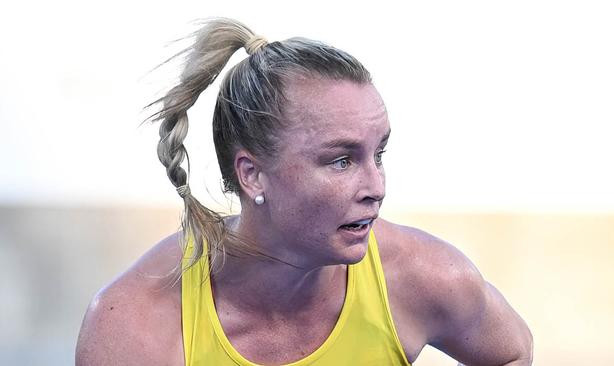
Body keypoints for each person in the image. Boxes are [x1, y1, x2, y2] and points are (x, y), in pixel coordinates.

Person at [75, 18, 533, 365]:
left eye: (379, 154)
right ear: (253, 175)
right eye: (341, 160)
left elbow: (513, 352)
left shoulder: (424, 276)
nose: (376, 187)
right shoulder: (136, 324)